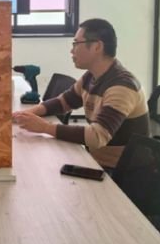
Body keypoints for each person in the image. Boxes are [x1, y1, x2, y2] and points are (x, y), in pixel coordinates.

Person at [12, 18, 149, 170]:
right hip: (96, 161)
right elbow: (63, 102)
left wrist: (45, 127)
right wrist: (24, 115)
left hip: (121, 173)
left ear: (97, 46)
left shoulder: (122, 86)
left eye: (76, 44)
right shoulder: (91, 76)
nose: (72, 51)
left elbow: (97, 137)